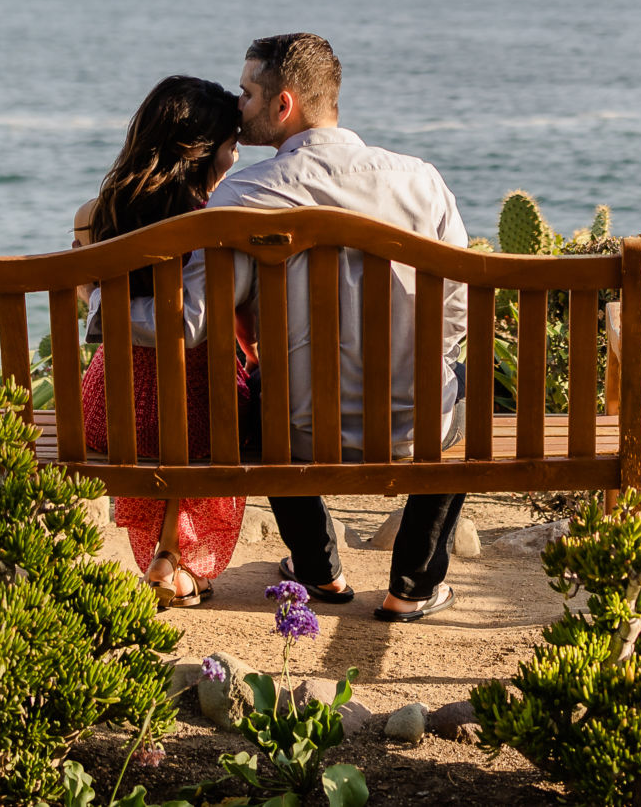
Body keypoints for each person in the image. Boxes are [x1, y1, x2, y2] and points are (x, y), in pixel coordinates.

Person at [206, 32, 470, 623]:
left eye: (246, 94)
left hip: (297, 430)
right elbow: (459, 303)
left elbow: (224, 302)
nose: (237, 105)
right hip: (416, 427)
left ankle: (320, 569)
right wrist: (431, 363)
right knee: (460, 387)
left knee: (263, 394)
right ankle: (413, 585)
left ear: (284, 105)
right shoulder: (421, 181)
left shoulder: (245, 193)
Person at [71, 75, 251, 609]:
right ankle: (174, 557)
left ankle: (163, 553)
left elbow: (88, 297)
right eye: (231, 146)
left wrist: (101, 303)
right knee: (210, 410)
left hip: (111, 407)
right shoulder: (214, 227)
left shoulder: (94, 218)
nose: (236, 158)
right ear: (203, 154)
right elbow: (208, 324)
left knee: (164, 412)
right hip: (205, 417)